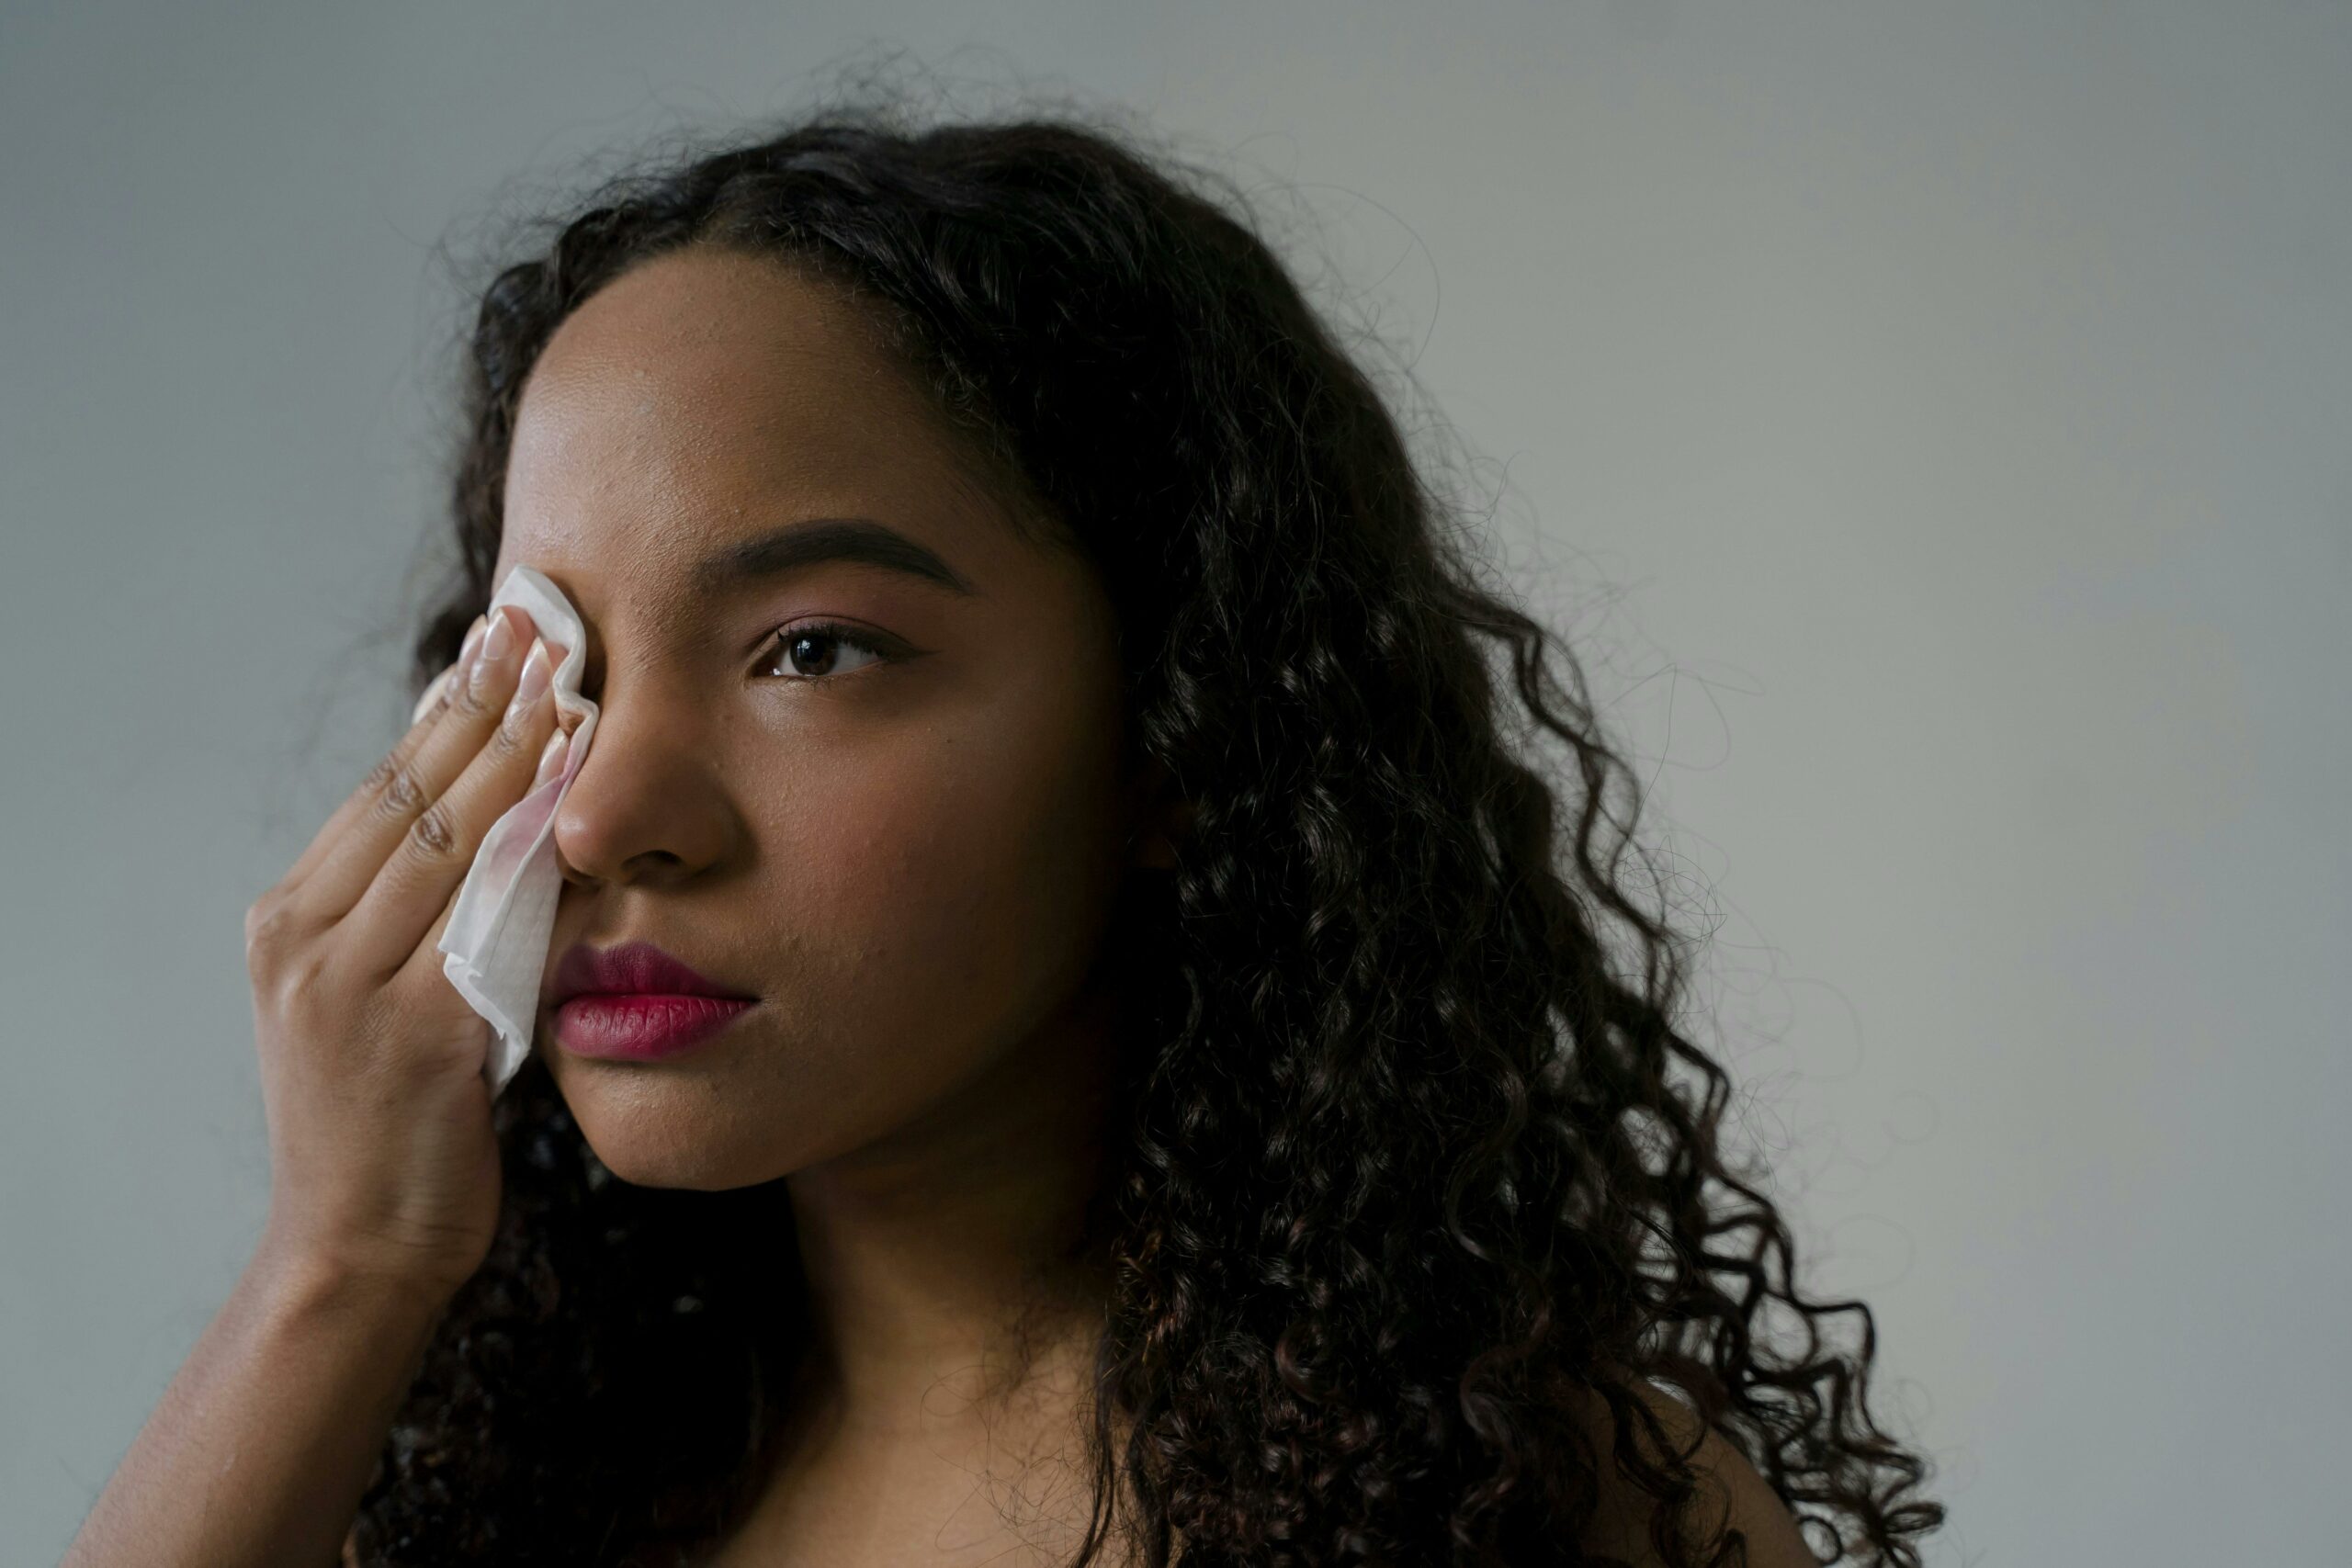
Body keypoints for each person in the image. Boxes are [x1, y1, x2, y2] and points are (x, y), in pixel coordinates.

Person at [62, 103, 1944, 1568]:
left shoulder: (1511, 1503)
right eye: (551, 663)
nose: (612, 810)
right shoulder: (509, 1502)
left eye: (808, 650)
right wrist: (345, 1256)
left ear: (1178, 734)